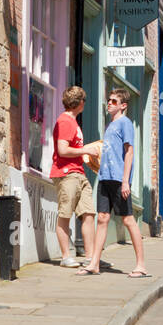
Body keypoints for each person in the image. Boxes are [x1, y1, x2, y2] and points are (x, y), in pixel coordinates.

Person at [79, 88, 148, 277]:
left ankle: (141, 265)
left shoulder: (125, 123)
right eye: (109, 100)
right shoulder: (110, 125)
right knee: (102, 218)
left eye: (114, 101)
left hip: (119, 179)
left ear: (123, 106)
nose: (109, 103)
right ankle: (94, 263)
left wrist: (126, 181)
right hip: (104, 177)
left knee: (128, 219)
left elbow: (129, 152)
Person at [52, 87, 103, 268]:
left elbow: (71, 150)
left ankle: (90, 257)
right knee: (65, 214)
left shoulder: (72, 122)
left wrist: (87, 157)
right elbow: (62, 150)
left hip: (78, 172)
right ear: (80, 103)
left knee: (88, 213)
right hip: (66, 174)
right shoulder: (65, 121)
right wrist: (86, 150)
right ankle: (66, 257)